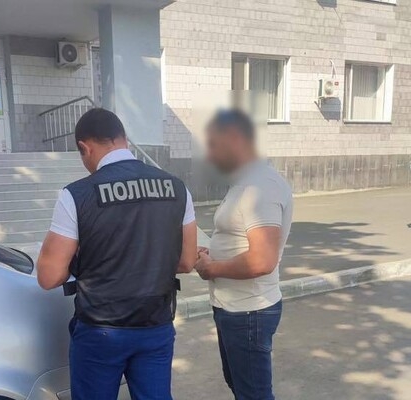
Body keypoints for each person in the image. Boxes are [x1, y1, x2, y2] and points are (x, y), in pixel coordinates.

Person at [37, 108, 197, 400]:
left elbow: (49, 277)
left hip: (101, 329)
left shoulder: (76, 195)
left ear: (85, 148)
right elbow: (187, 262)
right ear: (123, 138)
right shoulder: (177, 188)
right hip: (156, 323)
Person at [194, 109, 293, 400]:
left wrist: (212, 268)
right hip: (234, 307)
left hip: (249, 311)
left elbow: (262, 259)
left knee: (253, 394)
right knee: (240, 386)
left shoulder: (261, 186)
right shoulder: (245, 182)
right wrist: (211, 252)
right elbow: (237, 237)